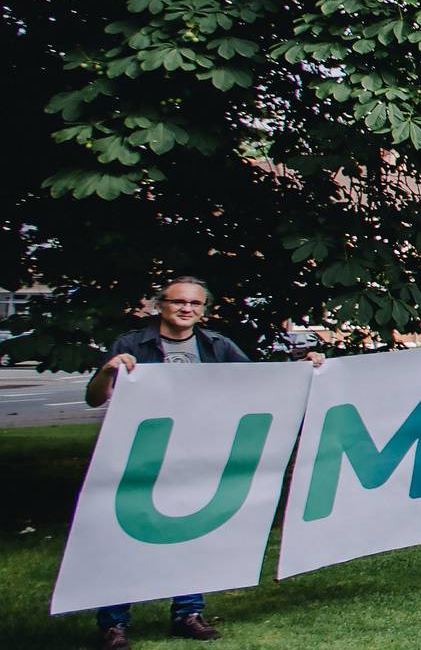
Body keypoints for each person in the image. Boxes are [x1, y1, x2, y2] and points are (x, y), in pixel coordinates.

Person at [81, 277, 312, 647]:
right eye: (178, 302)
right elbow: (96, 399)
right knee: (121, 533)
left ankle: (188, 613)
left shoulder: (217, 345)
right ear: (161, 305)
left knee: (191, 531)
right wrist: (109, 371)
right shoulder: (130, 344)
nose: (186, 309)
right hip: (140, 454)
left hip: (198, 451)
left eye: (195, 304)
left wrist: (304, 366)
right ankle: (114, 623)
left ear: (203, 310)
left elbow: (260, 382)